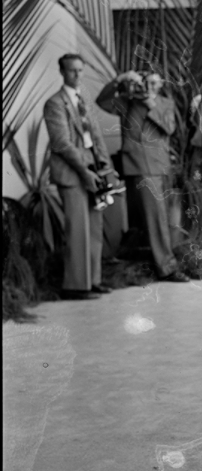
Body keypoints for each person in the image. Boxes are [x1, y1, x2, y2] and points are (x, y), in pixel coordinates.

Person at [96, 70, 189, 282]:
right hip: (135, 165)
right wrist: (120, 79)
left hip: (157, 166)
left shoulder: (165, 103)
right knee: (147, 219)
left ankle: (166, 266)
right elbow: (102, 101)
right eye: (146, 82)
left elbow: (169, 128)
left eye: (154, 82)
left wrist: (151, 104)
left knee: (157, 218)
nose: (149, 87)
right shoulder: (127, 101)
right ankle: (162, 265)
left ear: (160, 84)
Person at [43, 55, 117, 300]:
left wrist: (106, 168)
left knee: (95, 228)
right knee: (78, 230)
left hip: (93, 169)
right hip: (72, 173)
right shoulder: (55, 103)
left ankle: (92, 280)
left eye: (80, 70)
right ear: (62, 72)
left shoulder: (83, 102)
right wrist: (85, 171)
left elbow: (96, 138)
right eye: (72, 71)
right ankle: (75, 286)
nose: (77, 75)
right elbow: (62, 143)